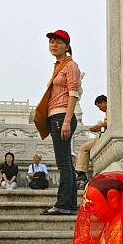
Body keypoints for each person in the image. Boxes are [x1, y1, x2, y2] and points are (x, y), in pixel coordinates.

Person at [40, 29, 81, 215]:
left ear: (67, 46)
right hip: (56, 116)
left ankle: (63, 204)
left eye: (58, 42)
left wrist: (66, 121)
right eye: (52, 42)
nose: (54, 45)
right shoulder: (59, 65)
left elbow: (73, 93)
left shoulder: (70, 66)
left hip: (61, 116)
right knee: (66, 163)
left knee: (63, 163)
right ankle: (69, 205)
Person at [75, 94, 107, 189]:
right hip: (103, 134)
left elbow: (108, 122)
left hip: (104, 137)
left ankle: (81, 172)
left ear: (104, 102)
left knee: (84, 148)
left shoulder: (110, 110)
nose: (100, 109)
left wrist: (97, 126)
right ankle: (81, 171)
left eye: (99, 106)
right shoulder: (108, 111)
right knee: (84, 147)